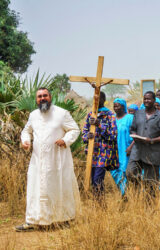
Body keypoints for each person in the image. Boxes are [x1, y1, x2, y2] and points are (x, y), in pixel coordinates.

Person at [16, 88, 80, 231]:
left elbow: (75, 129)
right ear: (36, 99)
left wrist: (65, 140)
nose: (42, 98)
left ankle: (63, 219)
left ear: (50, 97)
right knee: (35, 189)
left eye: (45, 95)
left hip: (57, 160)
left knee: (59, 187)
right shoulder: (33, 115)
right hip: (38, 161)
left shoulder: (62, 113)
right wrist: (26, 140)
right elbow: (26, 130)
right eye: (39, 96)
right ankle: (33, 220)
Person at [126, 91, 160, 196]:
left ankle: (149, 207)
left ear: (154, 101)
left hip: (153, 152)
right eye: (145, 99)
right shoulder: (138, 114)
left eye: (149, 99)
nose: (146, 101)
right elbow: (132, 129)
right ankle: (138, 187)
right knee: (130, 173)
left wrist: (152, 140)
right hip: (138, 150)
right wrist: (135, 136)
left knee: (150, 184)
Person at [82, 91, 119, 200]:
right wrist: (86, 136)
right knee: (93, 180)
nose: (96, 101)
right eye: (94, 99)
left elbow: (113, 135)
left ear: (103, 100)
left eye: (98, 99)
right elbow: (84, 133)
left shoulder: (110, 115)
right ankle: (99, 205)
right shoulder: (90, 114)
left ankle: (100, 205)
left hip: (103, 153)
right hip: (91, 153)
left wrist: (99, 125)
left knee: (97, 179)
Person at [110, 98, 134, 196]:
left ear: (123, 107)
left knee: (123, 171)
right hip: (113, 150)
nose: (115, 107)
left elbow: (136, 134)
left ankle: (125, 195)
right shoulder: (112, 119)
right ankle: (123, 191)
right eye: (114, 106)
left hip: (125, 149)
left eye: (117, 105)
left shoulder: (130, 118)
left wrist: (131, 147)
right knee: (114, 171)